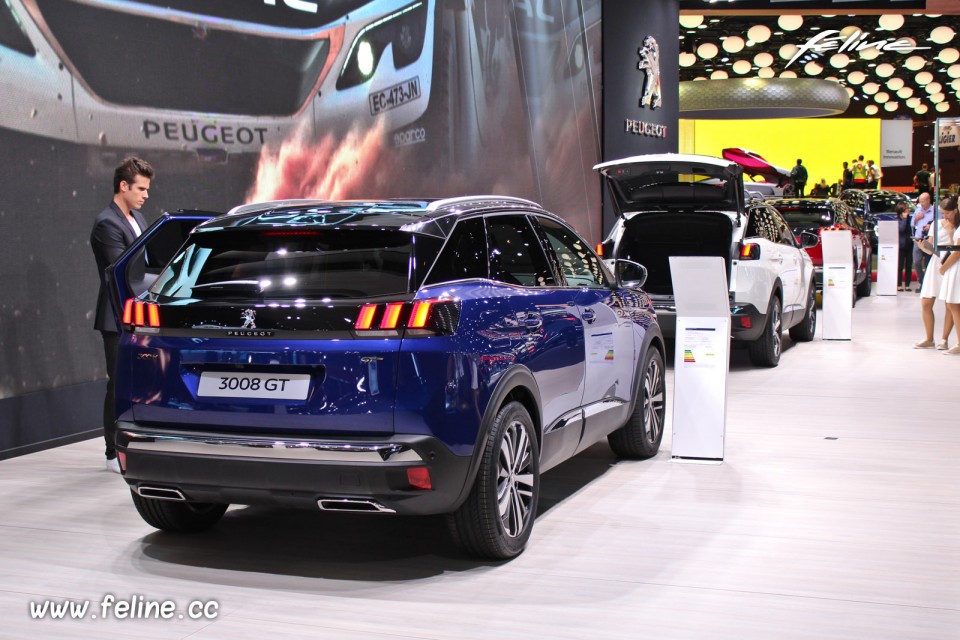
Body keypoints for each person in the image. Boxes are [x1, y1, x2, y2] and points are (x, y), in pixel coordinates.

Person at [90, 157, 154, 472]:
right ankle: (112, 451)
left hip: (139, 315)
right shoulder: (107, 223)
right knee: (118, 383)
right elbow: (121, 272)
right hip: (116, 316)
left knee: (138, 382)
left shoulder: (138, 219)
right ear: (123, 186)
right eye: (140, 188)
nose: (145, 195)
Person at [915, 196, 957, 350]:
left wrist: (951, 230)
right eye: (942, 213)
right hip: (935, 262)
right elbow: (931, 245)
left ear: (955, 211)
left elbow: (956, 246)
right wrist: (922, 246)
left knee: (950, 304)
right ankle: (929, 337)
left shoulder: (957, 226)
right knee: (926, 301)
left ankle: (944, 339)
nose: (944, 216)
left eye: (947, 213)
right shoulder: (936, 224)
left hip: (951, 262)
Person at [938, 196, 960, 355]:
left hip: (956, 268)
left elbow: (957, 252)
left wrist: (944, 267)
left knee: (954, 305)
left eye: (947, 213)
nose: (945, 216)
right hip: (954, 267)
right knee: (953, 305)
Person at [912, 192, 936, 288]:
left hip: (929, 239)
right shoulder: (918, 210)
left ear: (928, 200)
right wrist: (916, 219)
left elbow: (941, 223)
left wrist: (931, 225)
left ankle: (927, 284)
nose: (921, 204)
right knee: (916, 262)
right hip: (918, 239)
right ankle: (922, 282)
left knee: (928, 263)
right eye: (920, 201)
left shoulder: (935, 211)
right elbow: (912, 224)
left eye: (923, 201)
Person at [896, 202, 914, 292]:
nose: (909, 210)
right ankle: (899, 284)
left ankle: (907, 284)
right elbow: (901, 229)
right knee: (900, 266)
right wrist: (904, 219)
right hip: (901, 246)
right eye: (906, 209)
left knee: (909, 265)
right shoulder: (898, 220)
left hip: (909, 245)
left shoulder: (910, 219)